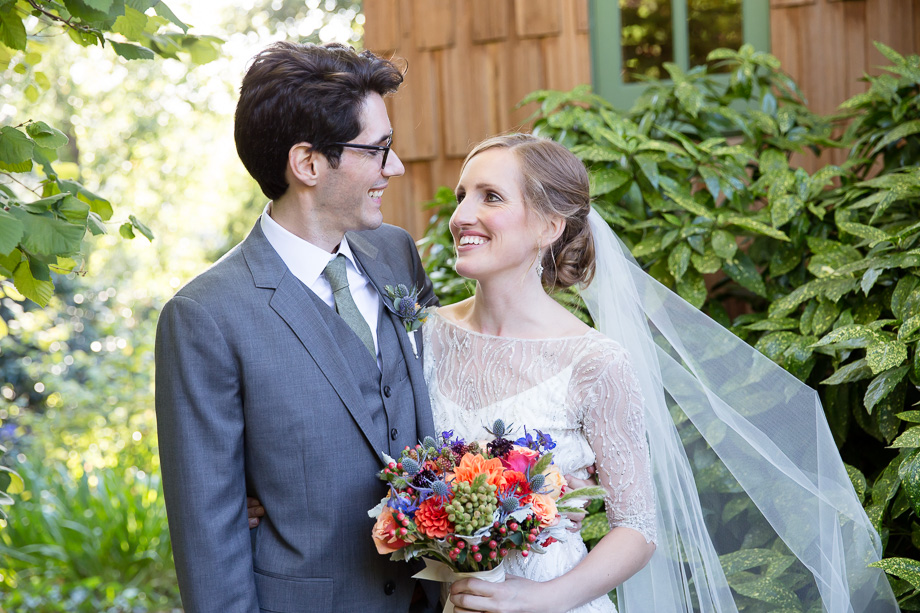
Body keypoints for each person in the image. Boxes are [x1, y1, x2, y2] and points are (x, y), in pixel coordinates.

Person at [427, 134, 898, 612]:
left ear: (549, 226)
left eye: (490, 196)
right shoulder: (421, 334)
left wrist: (541, 599)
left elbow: (636, 528)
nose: (461, 215)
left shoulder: (593, 360)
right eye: (463, 194)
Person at [155, 41, 438, 612]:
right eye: (378, 149)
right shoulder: (205, 316)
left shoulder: (397, 255)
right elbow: (209, 531)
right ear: (308, 163)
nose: (396, 167)